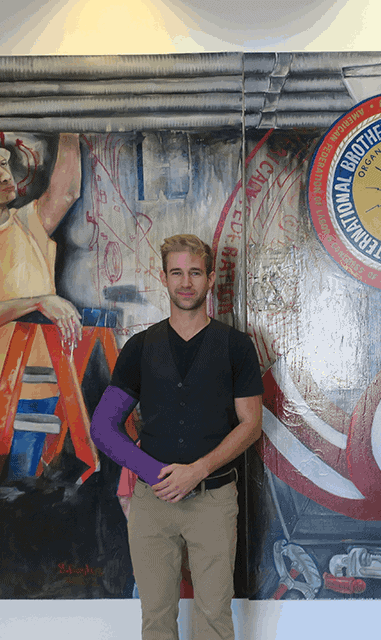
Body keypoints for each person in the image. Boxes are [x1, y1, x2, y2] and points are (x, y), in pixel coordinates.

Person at [90, 234, 264, 640]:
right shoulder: (139, 348)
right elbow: (103, 427)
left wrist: (197, 471)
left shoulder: (235, 347)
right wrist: (154, 473)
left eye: (195, 273)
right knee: (156, 620)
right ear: (163, 278)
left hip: (215, 500)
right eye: (177, 273)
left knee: (215, 618)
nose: (186, 282)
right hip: (152, 504)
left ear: (210, 278)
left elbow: (250, 424)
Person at [0, 134, 83, 479]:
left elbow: (66, 193)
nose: (4, 175)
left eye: (4, 165)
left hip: (46, 385)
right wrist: (40, 301)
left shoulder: (27, 224)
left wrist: (71, 132)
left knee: (33, 496)